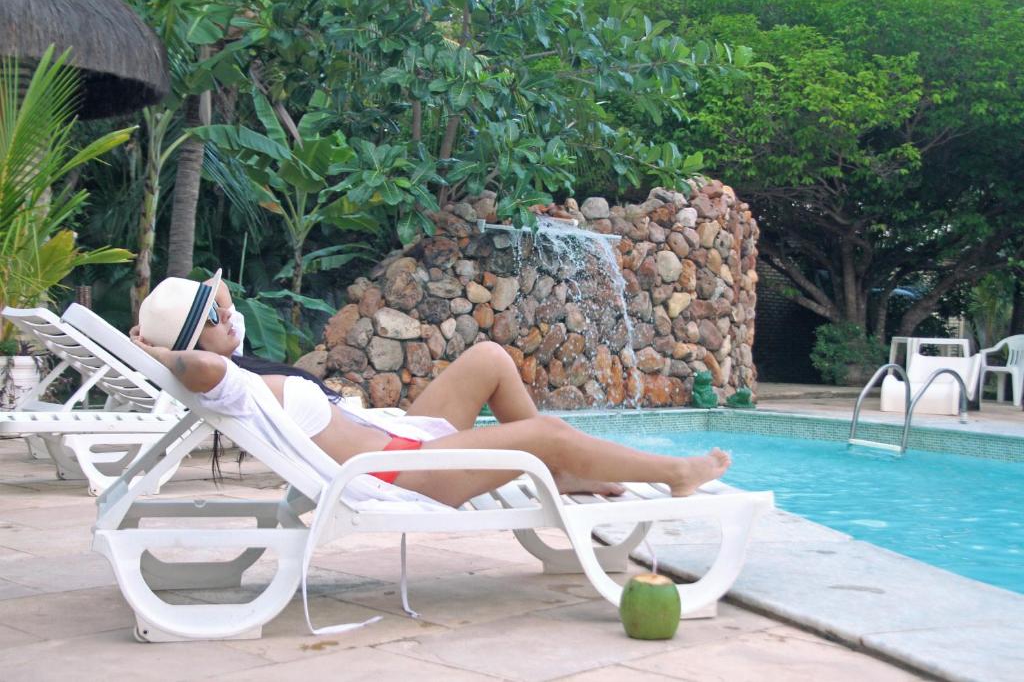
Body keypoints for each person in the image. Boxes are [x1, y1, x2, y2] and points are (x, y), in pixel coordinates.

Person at [131, 270, 731, 508]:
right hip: (403, 475)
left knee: (489, 357)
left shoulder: (238, 371)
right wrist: (157, 352)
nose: (231, 315)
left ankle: (565, 474)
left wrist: (190, 324)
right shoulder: (227, 382)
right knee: (546, 432)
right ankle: (674, 473)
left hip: (402, 441)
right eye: (217, 316)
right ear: (196, 342)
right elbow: (198, 366)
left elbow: (207, 340)